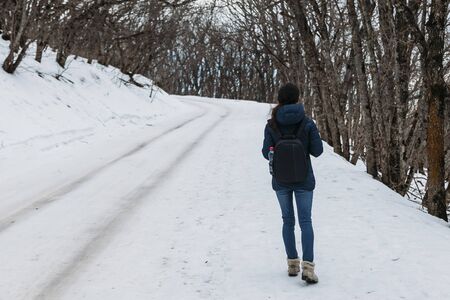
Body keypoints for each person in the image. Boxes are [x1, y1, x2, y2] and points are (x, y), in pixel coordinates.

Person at [262, 83, 323, 284]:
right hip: (304, 178)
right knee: (306, 221)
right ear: (298, 99)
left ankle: (292, 265)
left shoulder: (272, 124)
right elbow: (318, 150)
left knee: (287, 220)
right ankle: (308, 268)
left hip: (281, 179)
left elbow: (265, 153)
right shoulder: (306, 122)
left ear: (279, 100)